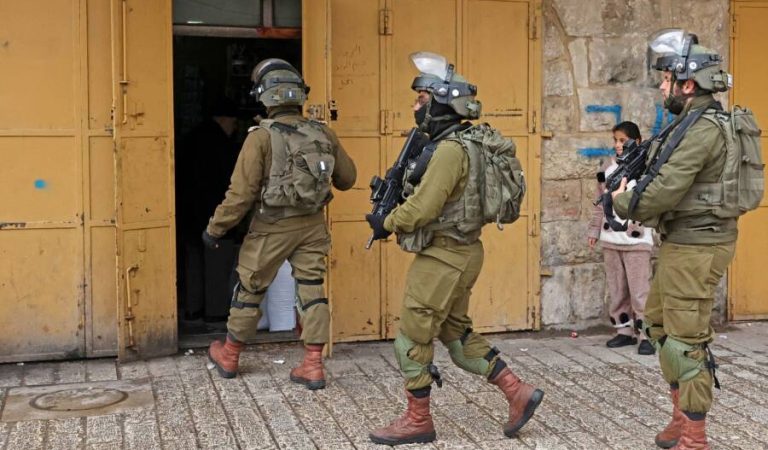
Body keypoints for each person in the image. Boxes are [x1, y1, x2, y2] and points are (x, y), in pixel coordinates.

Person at [366, 52, 543, 446]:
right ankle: (517, 391)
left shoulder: (449, 151)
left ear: (439, 101)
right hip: (463, 252)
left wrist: (386, 223)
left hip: (443, 256)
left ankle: (417, 421)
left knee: (412, 337)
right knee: (455, 333)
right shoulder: (468, 143)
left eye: (420, 100)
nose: (415, 107)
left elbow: (424, 207)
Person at [612, 30, 742, 449]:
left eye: (667, 78)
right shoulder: (687, 124)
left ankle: (695, 439)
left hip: (699, 246)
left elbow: (665, 188)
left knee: (686, 342)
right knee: (660, 326)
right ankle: (681, 418)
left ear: (689, 84)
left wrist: (623, 202)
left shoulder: (704, 129)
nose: (662, 86)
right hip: (681, 243)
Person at [204, 59, 357, 390]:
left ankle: (230, 355)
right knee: (312, 289)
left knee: (250, 289)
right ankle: (313, 364)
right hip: (313, 225)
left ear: (264, 97)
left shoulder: (260, 138)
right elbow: (348, 179)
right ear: (299, 95)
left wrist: (215, 229)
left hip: (272, 225)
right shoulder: (322, 132)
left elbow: (240, 194)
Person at [588, 121, 655, 355]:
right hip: (611, 239)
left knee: (640, 291)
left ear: (636, 142)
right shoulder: (607, 169)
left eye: (622, 141)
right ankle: (623, 331)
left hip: (637, 242)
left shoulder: (647, 169)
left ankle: (647, 335)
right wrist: (594, 231)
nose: (617, 145)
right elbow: (599, 204)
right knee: (617, 289)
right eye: (615, 140)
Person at [177, 97, 241, 321]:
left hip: (188, 211)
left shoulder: (192, 137)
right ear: (224, 119)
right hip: (214, 211)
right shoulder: (222, 145)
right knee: (217, 264)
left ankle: (194, 309)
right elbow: (233, 181)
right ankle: (216, 312)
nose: (234, 128)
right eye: (233, 123)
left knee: (193, 261)